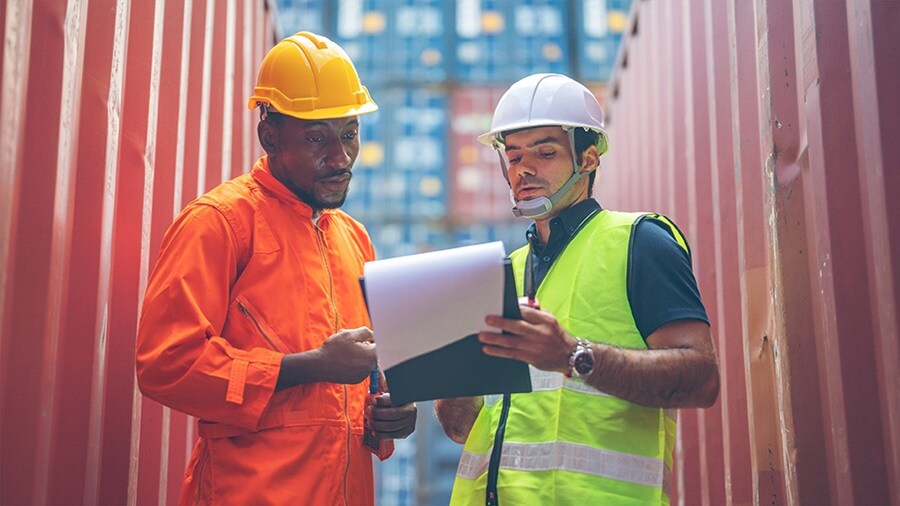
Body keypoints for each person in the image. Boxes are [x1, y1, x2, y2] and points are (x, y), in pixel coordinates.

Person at [135, 32, 417, 505]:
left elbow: (368, 384)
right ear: (270, 136)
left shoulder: (355, 240)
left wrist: (392, 413)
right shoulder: (220, 223)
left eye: (349, 134)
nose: (340, 157)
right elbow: (166, 363)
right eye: (316, 138)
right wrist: (310, 367)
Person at [435, 73, 720, 505]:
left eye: (544, 152)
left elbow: (701, 380)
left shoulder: (640, 242)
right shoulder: (498, 275)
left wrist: (572, 356)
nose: (524, 169)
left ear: (588, 158)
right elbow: (462, 430)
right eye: (513, 157)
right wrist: (449, 381)